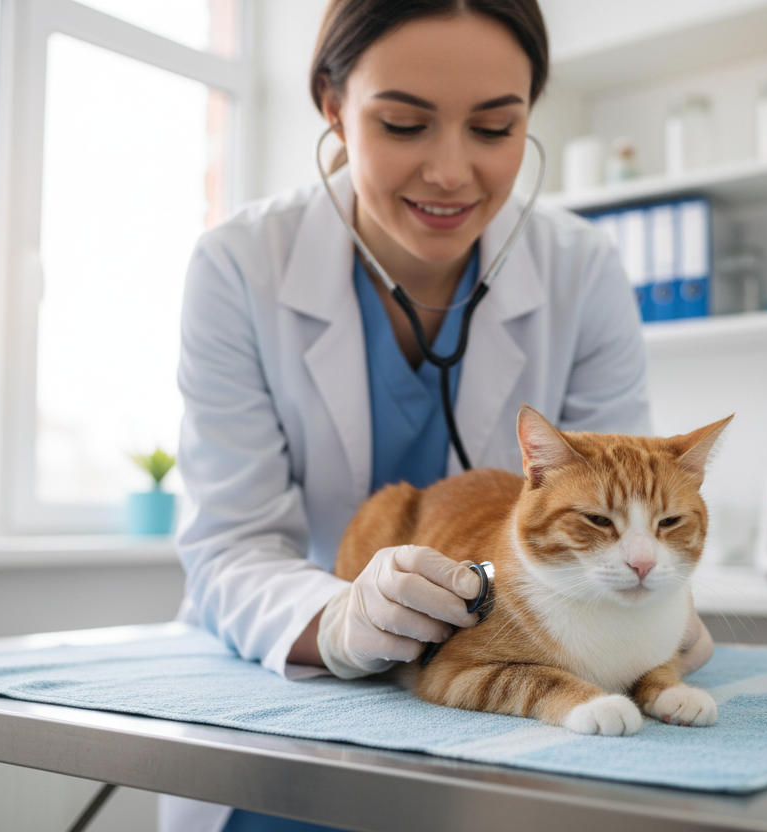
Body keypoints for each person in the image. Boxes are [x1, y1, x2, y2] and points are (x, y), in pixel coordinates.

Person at [161, 2, 713, 830]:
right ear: (331, 105)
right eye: (404, 123)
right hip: (299, 705)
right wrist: (340, 623)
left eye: (495, 128)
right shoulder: (239, 266)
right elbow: (231, 545)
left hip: (519, 724)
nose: (452, 171)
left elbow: (633, 486)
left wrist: (654, 608)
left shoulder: (582, 269)